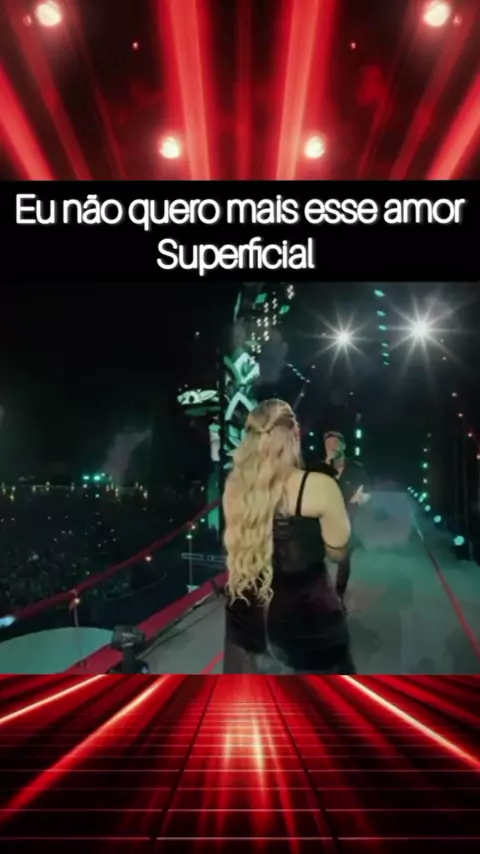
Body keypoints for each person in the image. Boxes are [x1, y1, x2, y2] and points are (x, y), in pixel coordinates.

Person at [222, 399, 355, 674]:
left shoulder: (235, 486)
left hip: (246, 623)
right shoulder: (320, 486)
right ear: (295, 435)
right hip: (308, 627)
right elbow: (338, 552)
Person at [313, 431, 371, 609]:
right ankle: (319, 597)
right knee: (316, 561)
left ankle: (339, 596)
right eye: (327, 444)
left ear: (344, 446)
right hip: (321, 522)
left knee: (344, 560)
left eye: (335, 442)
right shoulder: (318, 469)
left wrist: (362, 499)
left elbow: (367, 491)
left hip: (345, 521)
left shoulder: (356, 468)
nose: (331, 446)